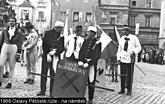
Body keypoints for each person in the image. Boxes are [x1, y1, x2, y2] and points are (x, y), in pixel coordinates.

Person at [37, 21, 64, 96]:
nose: (61, 30)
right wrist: (48, 53)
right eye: (60, 28)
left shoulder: (62, 36)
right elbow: (44, 44)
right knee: (44, 74)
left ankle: (52, 92)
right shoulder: (48, 33)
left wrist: (56, 52)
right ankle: (42, 90)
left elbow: (62, 48)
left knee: (53, 75)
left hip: (55, 57)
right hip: (46, 56)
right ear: (57, 27)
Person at [78, 26, 101, 104]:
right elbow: (81, 51)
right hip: (83, 64)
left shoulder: (98, 43)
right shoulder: (86, 41)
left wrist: (89, 63)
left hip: (91, 65)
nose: (88, 34)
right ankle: (81, 97)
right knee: (81, 81)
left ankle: (90, 99)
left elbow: (97, 56)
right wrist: (80, 60)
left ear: (93, 33)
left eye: (89, 32)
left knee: (91, 82)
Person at [117, 25, 141, 95]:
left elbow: (139, 47)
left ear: (127, 31)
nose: (123, 32)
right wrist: (118, 58)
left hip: (130, 59)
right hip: (123, 59)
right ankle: (122, 89)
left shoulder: (134, 38)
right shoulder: (121, 39)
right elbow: (119, 50)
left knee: (129, 75)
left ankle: (129, 90)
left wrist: (133, 52)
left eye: (124, 30)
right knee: (122, 75)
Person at [0, 17, 23, 88]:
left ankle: (10, 82)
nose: (11, 22)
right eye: (10, 21)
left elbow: (20, 42)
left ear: (15, 22)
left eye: (12, 21)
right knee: (1, 64)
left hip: (13, 47)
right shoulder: (4, 30)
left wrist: (19, 52)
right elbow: (1, 40)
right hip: (5, 45)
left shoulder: (19, 32)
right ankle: (0, 81)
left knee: (11, 66)